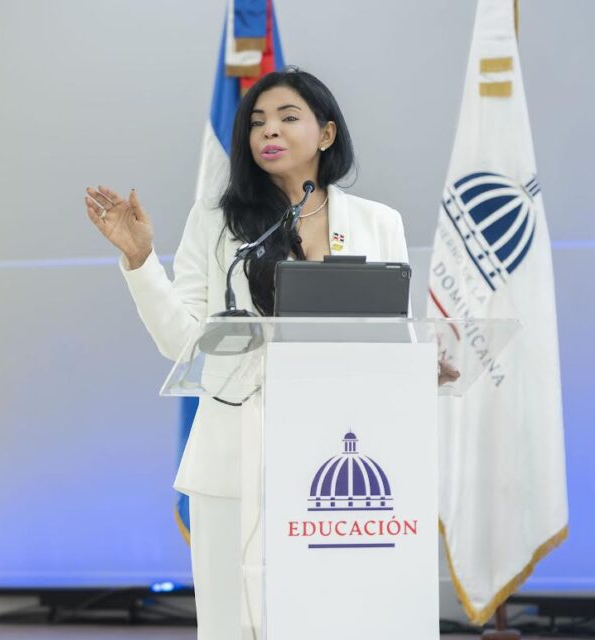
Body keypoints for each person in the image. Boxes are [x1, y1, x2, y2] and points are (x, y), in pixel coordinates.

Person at [84, 68, 409, 640]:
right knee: (234, 624)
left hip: (338, 459)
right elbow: (181, 340)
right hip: (233, 457)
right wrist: (140, 261)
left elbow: (392, 337)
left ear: (326, 134)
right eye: (257, 122)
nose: (269, 131)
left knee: (335, 620)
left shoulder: (378, 223)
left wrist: (424, 366)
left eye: (288, 118)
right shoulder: (216, 221)